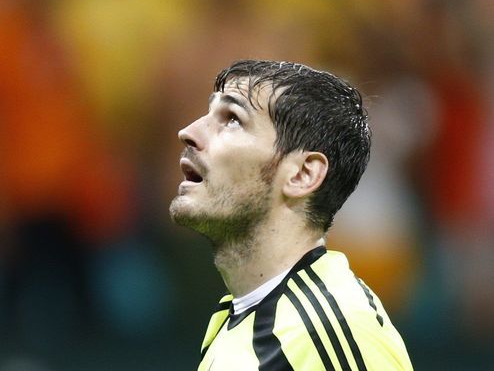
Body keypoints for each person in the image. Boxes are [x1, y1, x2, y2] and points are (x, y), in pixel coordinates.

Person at [170, 59, 412, 370]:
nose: (188, 132)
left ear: (302, 174)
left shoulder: (330, 329)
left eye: (232, 119)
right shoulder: (239, 317)